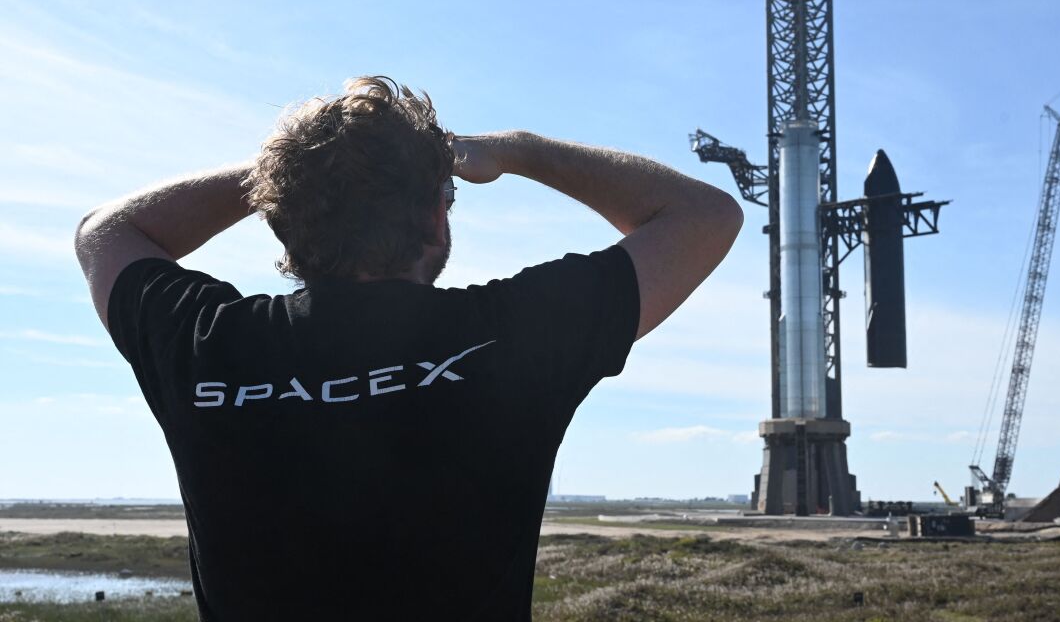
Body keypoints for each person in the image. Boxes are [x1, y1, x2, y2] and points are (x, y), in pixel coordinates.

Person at [74, 76, 743, 620]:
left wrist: (294, 172)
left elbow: (105, 232)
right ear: (435, 216)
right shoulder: (510, 335)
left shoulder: (207, 343)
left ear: (282, 221)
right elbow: (705, 217)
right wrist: (521, 151)